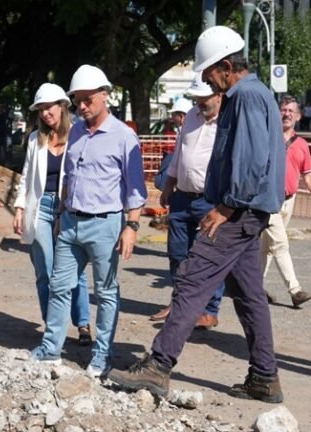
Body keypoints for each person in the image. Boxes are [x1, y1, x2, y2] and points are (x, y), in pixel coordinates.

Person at [109, 26, 286, 403]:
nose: (207, 81)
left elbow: (252, 162)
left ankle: (158, 365)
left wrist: (226, 206)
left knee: (191, 279)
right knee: (250, 294)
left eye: (209, 74)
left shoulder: (246, 97)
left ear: (226, 66)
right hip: (246, 212)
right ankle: (264, 377)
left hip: (238, 212)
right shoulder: (253, 95)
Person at [29, 65, 147, 377]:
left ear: (105, 95)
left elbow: (136, 188)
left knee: (106, 292)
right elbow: (69, 176)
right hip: (70, 222)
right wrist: (60, 212)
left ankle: (101, 356)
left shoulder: (124, 137)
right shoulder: (77, 132)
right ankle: (50, 348)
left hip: (106, 224)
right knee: (59, 286)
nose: (81, 106)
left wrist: (131, 227)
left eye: (87, 99)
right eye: (77, 100)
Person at [12, 83, 92, 347]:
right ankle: (52, 326)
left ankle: (82, 324)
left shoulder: (79, 134)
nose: (46, 113)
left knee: (73, 269)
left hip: (69, 208)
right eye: (41, 109)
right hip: (41, 207)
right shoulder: (36, 139)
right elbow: (26, 175)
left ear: (62, 107)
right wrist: (20, 208)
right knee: (44, 269)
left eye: (50, 108)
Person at [151, 77, 225, 329]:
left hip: (210, 200)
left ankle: (209, 310)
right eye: (197, 99)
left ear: (218, 95)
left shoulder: (229, 120)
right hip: (182, 197)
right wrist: (170, 184)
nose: (199, 103)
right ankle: (180, 303)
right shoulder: (192, 117)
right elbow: (180, 154)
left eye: (203, 99)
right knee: (177, 254)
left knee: (209, 257)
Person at [260, 95, 311, 308]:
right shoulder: (266, 138)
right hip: (268, 201)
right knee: (280, 243)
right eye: (283, 110)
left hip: (289, 201)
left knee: (267, 247)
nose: (286, 114)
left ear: (298, 116)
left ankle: (254, 287)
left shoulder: (301, 145)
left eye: (290, 111)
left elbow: (308, 176)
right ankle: (295, 290)